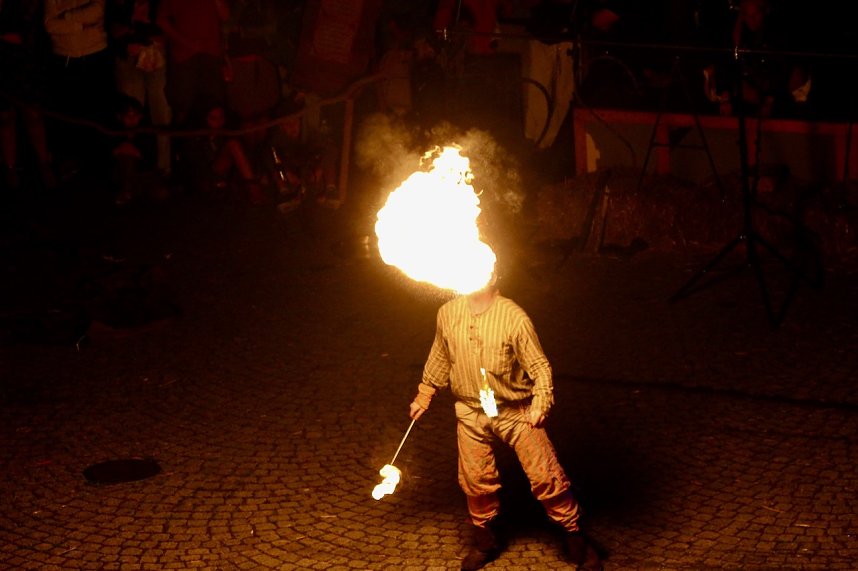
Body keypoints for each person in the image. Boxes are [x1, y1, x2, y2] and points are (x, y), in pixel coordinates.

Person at [407, 273, 602, 571]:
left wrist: (540, 403)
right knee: (475, 480)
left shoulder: (513, 317)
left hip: (514, 410)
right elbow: (440, 356)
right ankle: (485, 541)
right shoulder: (448, 313)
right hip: (471, 411)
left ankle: (576, 539)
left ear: (493, 274)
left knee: (546, 475)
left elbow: (539, 366)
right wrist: (424, 394)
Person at [106, 0, 172, 178]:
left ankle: (163, 166)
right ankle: (130, 167)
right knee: (130, 113)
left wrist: (149, 38)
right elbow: (112, 27)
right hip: (128, 57)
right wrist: (130, 34)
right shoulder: (119, 4)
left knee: (162, 112)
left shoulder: (158, 3)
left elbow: (167, 27)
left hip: (155, 57)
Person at [0, 0, 55, 191]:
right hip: (2, 66)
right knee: (5, 118)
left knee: (33, 116)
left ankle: (43, 164)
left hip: (25, 64)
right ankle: (10, 169)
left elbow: (24, 34)